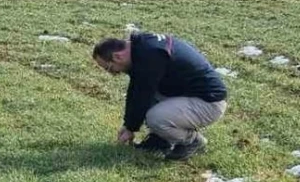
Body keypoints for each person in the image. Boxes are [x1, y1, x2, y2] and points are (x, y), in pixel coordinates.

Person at [92, 32, 228, 160]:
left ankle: (192, 141)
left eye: (109, 68)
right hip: (192, 95)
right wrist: (129, 125)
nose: (113, 73)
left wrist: (131, 128)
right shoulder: (141, 48)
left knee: (156, 118)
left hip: (209, 103)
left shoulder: (150, 55)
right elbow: (136, 89)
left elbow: (143, 93)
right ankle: (160, 140)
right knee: (146, 101)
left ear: (117, 57)